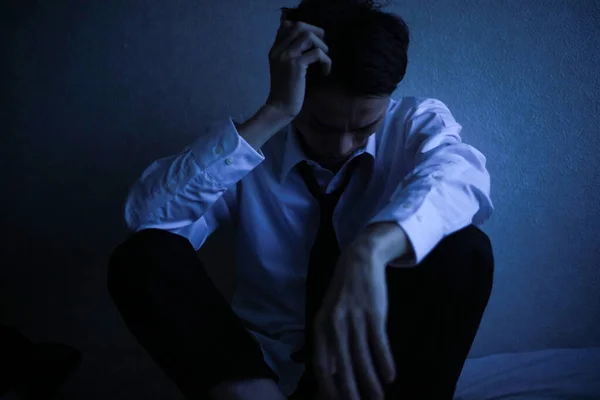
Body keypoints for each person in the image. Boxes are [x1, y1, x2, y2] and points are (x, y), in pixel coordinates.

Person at [107, 0, 495, 399]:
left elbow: (462, 180)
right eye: (321, 125)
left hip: (378, 371)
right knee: (139, 257)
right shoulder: (249, 146)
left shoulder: (415, 124)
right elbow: (146, 219)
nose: (343, 145)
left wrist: (369, 250)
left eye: (365, 127)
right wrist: (275, 111)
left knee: (466, 249)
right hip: (261, 368)